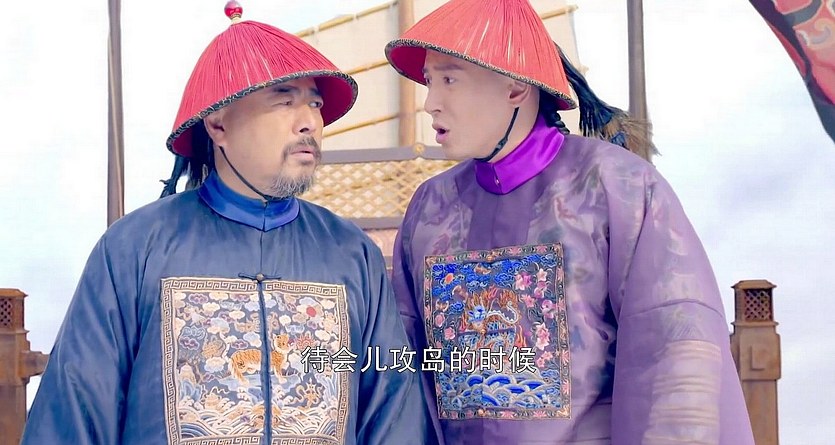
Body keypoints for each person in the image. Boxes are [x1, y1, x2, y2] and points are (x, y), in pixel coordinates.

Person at [21, 2, 429, 444]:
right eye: (285, 100)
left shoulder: (350, 253)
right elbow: (76, 408)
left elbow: (394, 410)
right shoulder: (135, 247)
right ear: (218, 124)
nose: (310, 122)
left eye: (314, 103)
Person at [384, 0, 756, 443]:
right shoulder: (431, 207)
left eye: (449, 80)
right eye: (429, 81)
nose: (431, 104)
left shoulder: (614, 184)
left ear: (515, 87)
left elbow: (675, 347)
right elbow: (401, 364)